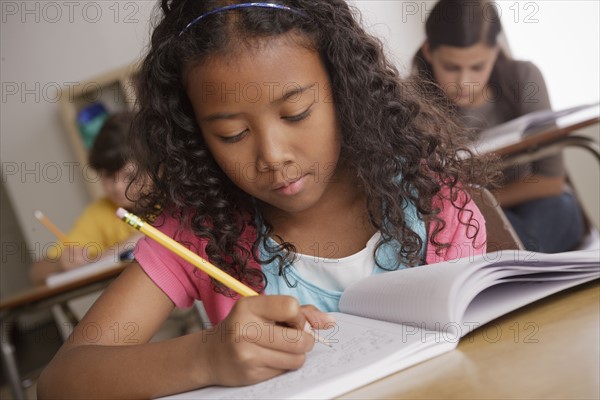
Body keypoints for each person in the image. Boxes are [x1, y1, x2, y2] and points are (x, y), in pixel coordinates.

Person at [37, 2, 496, 398]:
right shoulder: (201, 232)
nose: (273, 157)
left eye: (295, 113)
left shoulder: (427, 199)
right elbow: (61, 382)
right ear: (196, 135)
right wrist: (205, 357)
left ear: (343, 89)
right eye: (231, 134)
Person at [412, 0, 586, 253]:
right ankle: (514, 260)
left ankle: (506, 259)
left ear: (495, 51)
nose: (465, 82)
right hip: (465, 218)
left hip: (534, 204)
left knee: (557, 210)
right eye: (451, 67)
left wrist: (486, 205)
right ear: (429, 51)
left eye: (477, 67)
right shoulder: (414, 101)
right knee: (456, 231)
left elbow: (551, 181)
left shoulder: (523, 78)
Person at [29, 111, 142, 285]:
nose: (118, 187)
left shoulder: (173, 195)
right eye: (109, 176)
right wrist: (61, 263)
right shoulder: (100, 212)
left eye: (129, 175)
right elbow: (37, 272)